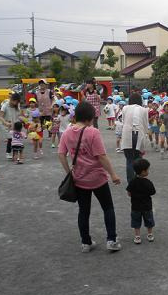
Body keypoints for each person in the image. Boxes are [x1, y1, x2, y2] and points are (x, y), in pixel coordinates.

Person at [58, 101, 122, 253]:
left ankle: (86, 242)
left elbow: (61, 154)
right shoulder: (93, 132)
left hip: (79, 178)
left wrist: (69, 172)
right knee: (108, 208)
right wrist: (113, 174)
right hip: (98, 178)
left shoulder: (67, 133)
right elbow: (101, 156)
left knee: (84, 211)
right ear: (89, 118)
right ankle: (111, 240)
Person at [126, 158, 156, 244]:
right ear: (143, 171)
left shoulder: (132, 182)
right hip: (147, 206)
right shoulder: (148, 182)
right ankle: (150, 234)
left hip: (135, 206)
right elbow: (153, 192)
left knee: (136, 221)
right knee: (149, 220)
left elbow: (129, 193)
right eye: (147, 170)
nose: (148, 171)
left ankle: (137, 236)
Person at [121, 93, 149, 183]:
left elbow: (124, 121)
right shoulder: (144, 110)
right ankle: (139, 180)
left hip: (127, 134)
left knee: (129, 160)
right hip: (139, 134)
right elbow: (145, 125)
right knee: (138, 159)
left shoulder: (125, 108)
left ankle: (131, 182)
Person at [0, 93, 22, 160]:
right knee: (10, 138)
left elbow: (18, 115)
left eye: (17, 102)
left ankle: (14, 154)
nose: (15, 103)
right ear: (11, 99)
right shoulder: (5, 105)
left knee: (15, 138)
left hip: (14, 122)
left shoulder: (17, 105)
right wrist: (5, 123)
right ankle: (8, 153)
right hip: (6, 123)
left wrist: (24, 120)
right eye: (14, 101)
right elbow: (0, 117)